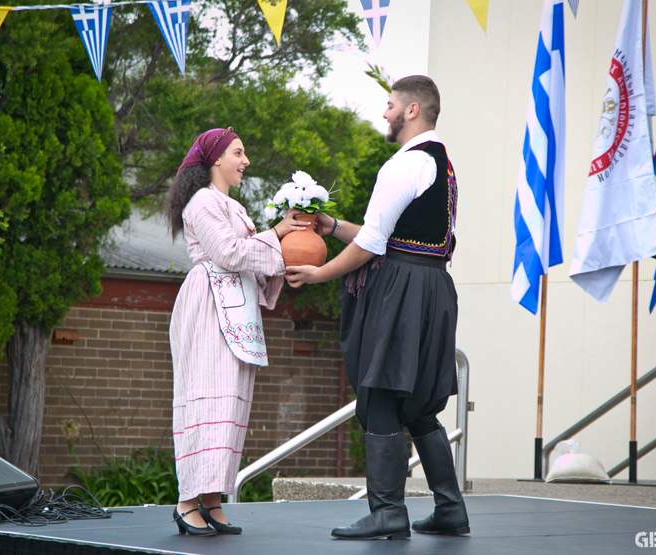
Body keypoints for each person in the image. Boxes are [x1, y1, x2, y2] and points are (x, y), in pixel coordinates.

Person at [286, 76, 469, 540]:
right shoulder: (442, 164)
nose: (384, 114)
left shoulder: (403, 165)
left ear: (412, 111)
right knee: (420, 405)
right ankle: (450, 509)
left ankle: (387, 510)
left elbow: (372, 244)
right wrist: (330, 226)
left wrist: (318, 273)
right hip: (434, 286)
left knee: (383, 393)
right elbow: (388, 237)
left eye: (390, 105)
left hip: (403, 289)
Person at [166, 127, 308, 536]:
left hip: (236, 309)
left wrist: (287, 257)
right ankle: (186, 501)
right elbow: (228, 254)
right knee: (205, 399)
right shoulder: (201, 202)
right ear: (215, 160)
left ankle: (211, 499)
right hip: (209, 304)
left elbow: (250, 257)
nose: (245, 161)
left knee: (230, 403)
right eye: (238, 153)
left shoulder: (233, 205)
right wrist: (279, 234)